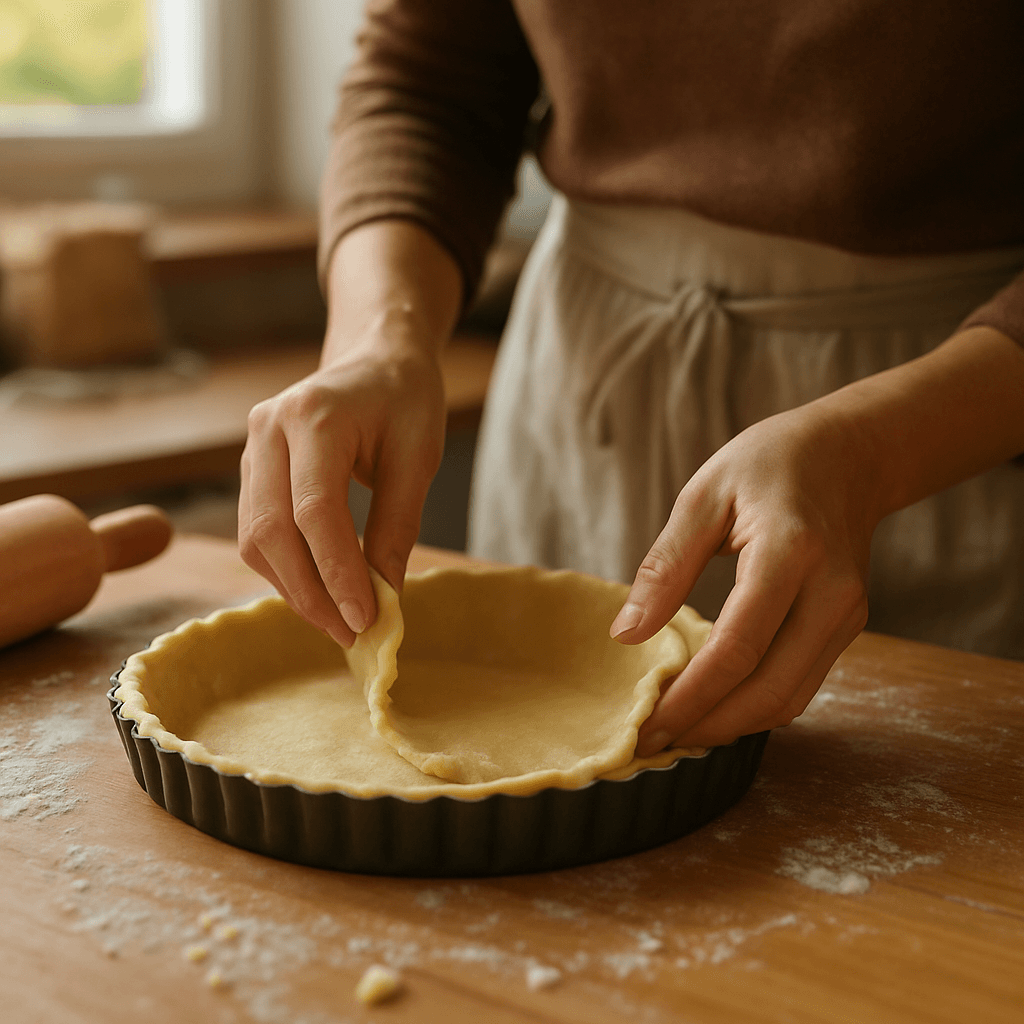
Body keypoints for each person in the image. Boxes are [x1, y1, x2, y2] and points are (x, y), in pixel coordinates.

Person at [239, 1, 1024, 756]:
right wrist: (379, 339)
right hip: (588, 372)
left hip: (952, 397)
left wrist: (873, 455)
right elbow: (427, 85)